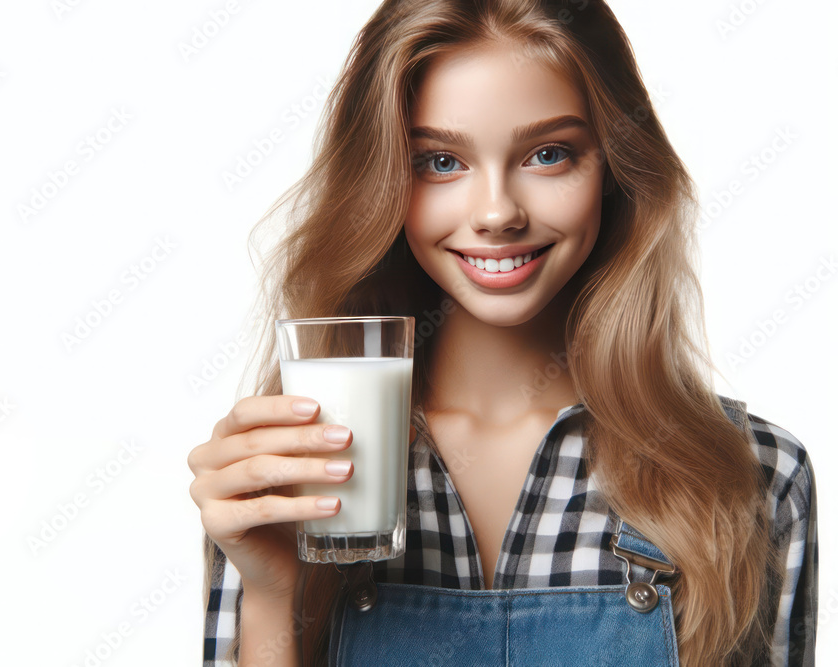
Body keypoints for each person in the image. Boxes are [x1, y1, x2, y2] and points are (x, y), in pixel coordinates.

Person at [187, 0, 818, 665]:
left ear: (615, 169)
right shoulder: (288, 471)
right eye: (439, 161)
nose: (496, 212)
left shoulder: (751, 476)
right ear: (380, 181)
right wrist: (270, 589)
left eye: (548, 154)